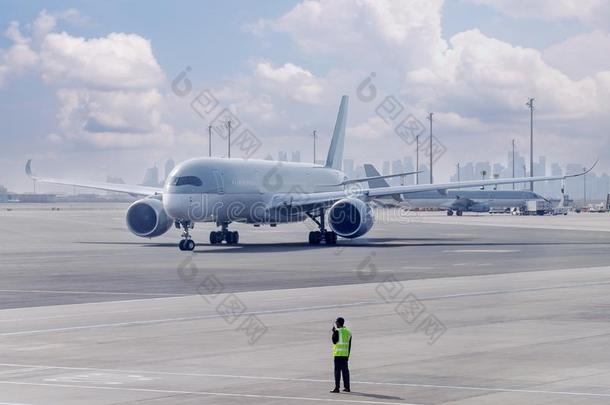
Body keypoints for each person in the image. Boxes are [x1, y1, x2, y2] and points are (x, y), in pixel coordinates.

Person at [330, 317, 351, 393]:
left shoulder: (337, 331)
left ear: (338, 323)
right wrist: (348, 355)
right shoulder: (348, 332)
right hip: (345, 355)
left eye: (336, 323)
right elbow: (349, 345)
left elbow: (334, 341)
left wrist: (334, 332)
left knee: (337, 372)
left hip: (338, 355)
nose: (336, 324)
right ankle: (347, 387)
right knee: (345, 371)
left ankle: (337, 388)